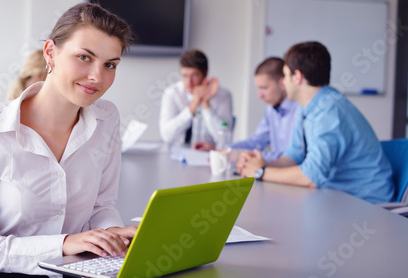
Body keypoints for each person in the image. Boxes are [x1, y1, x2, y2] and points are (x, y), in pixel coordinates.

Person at [0, 2, 137, 276]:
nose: (97, 76)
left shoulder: (106, 119)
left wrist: (112, 233)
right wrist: (63, 244)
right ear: (50, 53)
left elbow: (101, 205)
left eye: (110, 64)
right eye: (84, 57)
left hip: (79, 271)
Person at [237, 41, 394, 204]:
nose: (282, 82)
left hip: (366, 203)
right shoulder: (307, 107)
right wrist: (265, 164)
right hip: (336, 196)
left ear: (297, 77)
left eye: (285, 76)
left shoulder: (330, 110)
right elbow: (293, 157)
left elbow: (311, 176)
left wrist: (261, 172)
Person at [159, 48, 233, 151]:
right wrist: (193, 105)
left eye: (194, 75)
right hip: (176, 152)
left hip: (209, 154)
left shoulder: (223, 95)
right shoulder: (172, 93)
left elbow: (225, 139)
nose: (189, 82)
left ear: (205, 73)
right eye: (184, 75)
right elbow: (167, 136)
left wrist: (206, 105)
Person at [231, 57, 300, 161]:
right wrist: (223, 149)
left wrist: (246, 155)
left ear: (282, 83)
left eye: (264, 88)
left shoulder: (299, 109)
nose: (259, 95)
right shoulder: (271, 110)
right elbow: (255, 142)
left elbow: (293, 158)